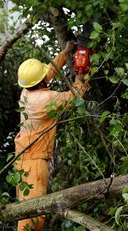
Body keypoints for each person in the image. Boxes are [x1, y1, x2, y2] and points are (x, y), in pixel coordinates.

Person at [14, 41, 89, 231]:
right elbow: (75, 96)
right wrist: (81, 76)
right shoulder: (46, 99)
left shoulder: (26, 92)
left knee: (25, 209)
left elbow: (47, 73)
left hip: (23, 158)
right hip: (36, 162)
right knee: (33, 216)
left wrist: (65, 53)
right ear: (40, 82)